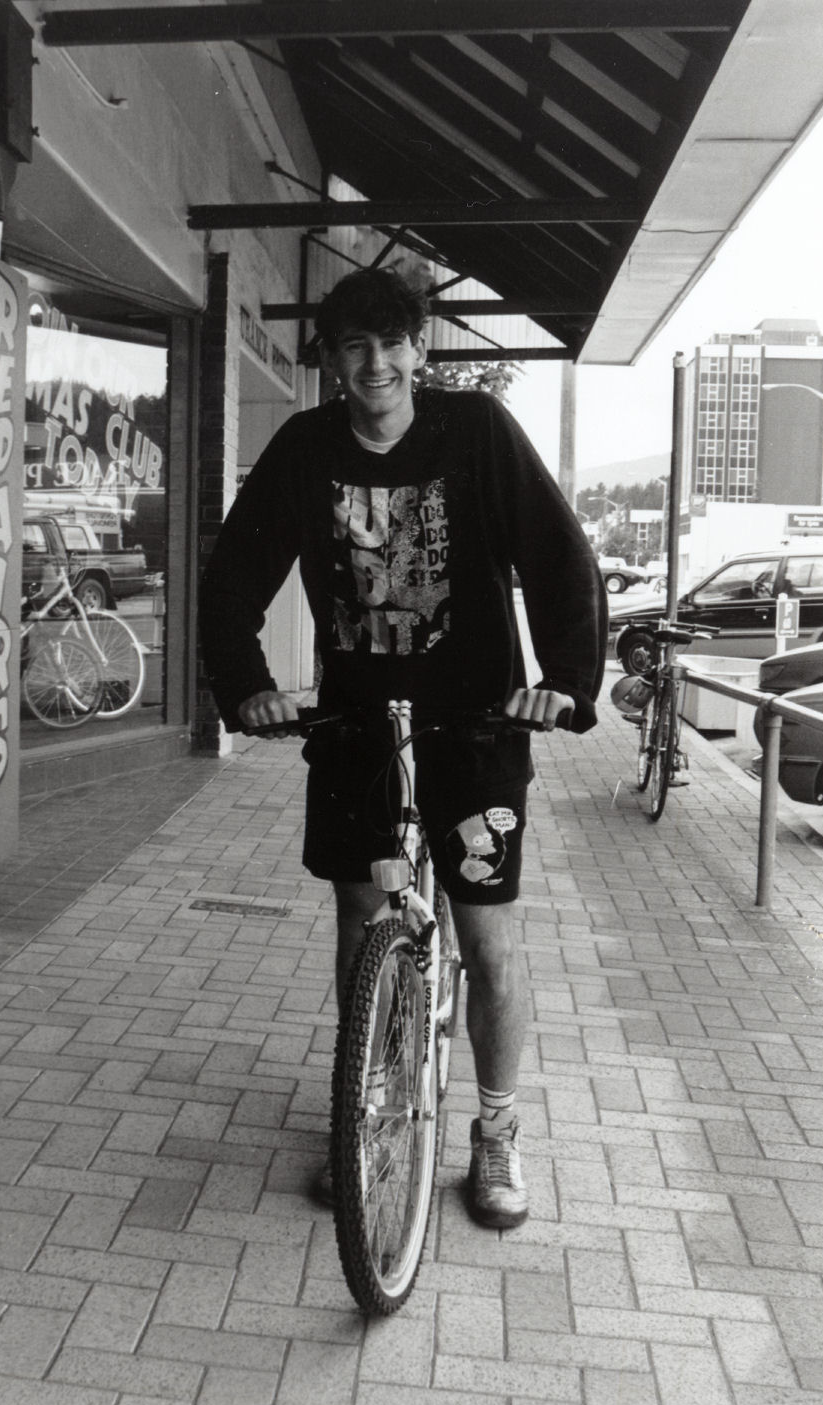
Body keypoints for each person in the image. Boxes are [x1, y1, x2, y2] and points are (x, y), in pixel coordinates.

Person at [199, 267, 606, 1229]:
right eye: (353, 347)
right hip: (358, 722)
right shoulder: (304, 449)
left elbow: (558, 557)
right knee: (359, 912)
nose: (374, 364)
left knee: (484, 933)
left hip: (475, 721)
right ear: (332, 359)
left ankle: (496, 1129)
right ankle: (366, 1105)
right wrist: (245, 687)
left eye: (391, 344)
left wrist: (566, 685)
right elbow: (232, 577)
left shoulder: (474, 435)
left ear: (419, 349)